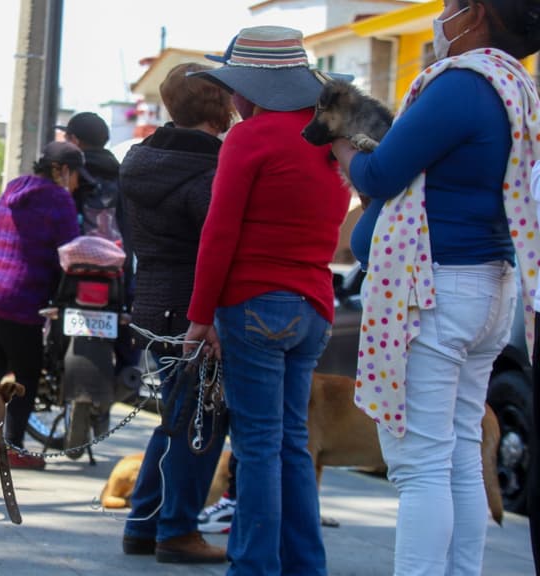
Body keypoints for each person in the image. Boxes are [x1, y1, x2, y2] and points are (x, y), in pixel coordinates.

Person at [332, 2, 540, 574]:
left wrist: (337, 140)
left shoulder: (463, 86)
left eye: (449, 7)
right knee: (459, 461)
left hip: (436, 292)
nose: (441, 17)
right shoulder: (515, 85)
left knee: (422, 465)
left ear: (473, 15)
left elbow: (378, 175)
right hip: (486, 286)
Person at [183, 26, 351, 575]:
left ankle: (253, 568)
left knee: (256, 445)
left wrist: (199, 316)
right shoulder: (331, 137)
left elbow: (219, 233)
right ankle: (305, 567)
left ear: (250, 88)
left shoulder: (248, 138)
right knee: (292, 445)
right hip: (315, 306)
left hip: (254, 303)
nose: (232, 97)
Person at [119, 62, 233, 564]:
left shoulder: (140, 159)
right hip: (193, 308)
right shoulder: (209, 169)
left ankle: (145, 524)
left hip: (152, 298)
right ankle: (177, 529)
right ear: (217, 106)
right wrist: (208, 315)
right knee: (200, 422)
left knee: (178, 417)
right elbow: (217, 242)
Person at [0, 141, 83, 470]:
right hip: (18, 298)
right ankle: (13, 447)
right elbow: (71, 250)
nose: (76, 183)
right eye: (74, 174)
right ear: (62, 170)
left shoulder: (14, 187)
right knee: (26, 375)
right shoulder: (59, 197)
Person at [58, 112, 136, 375]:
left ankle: (46, 363)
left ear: (75, 140)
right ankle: (128, 369)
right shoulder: (124, 172)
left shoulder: (68, 172)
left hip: (72, 262)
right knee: (124, 312)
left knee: (52, 305)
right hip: (118, 262)